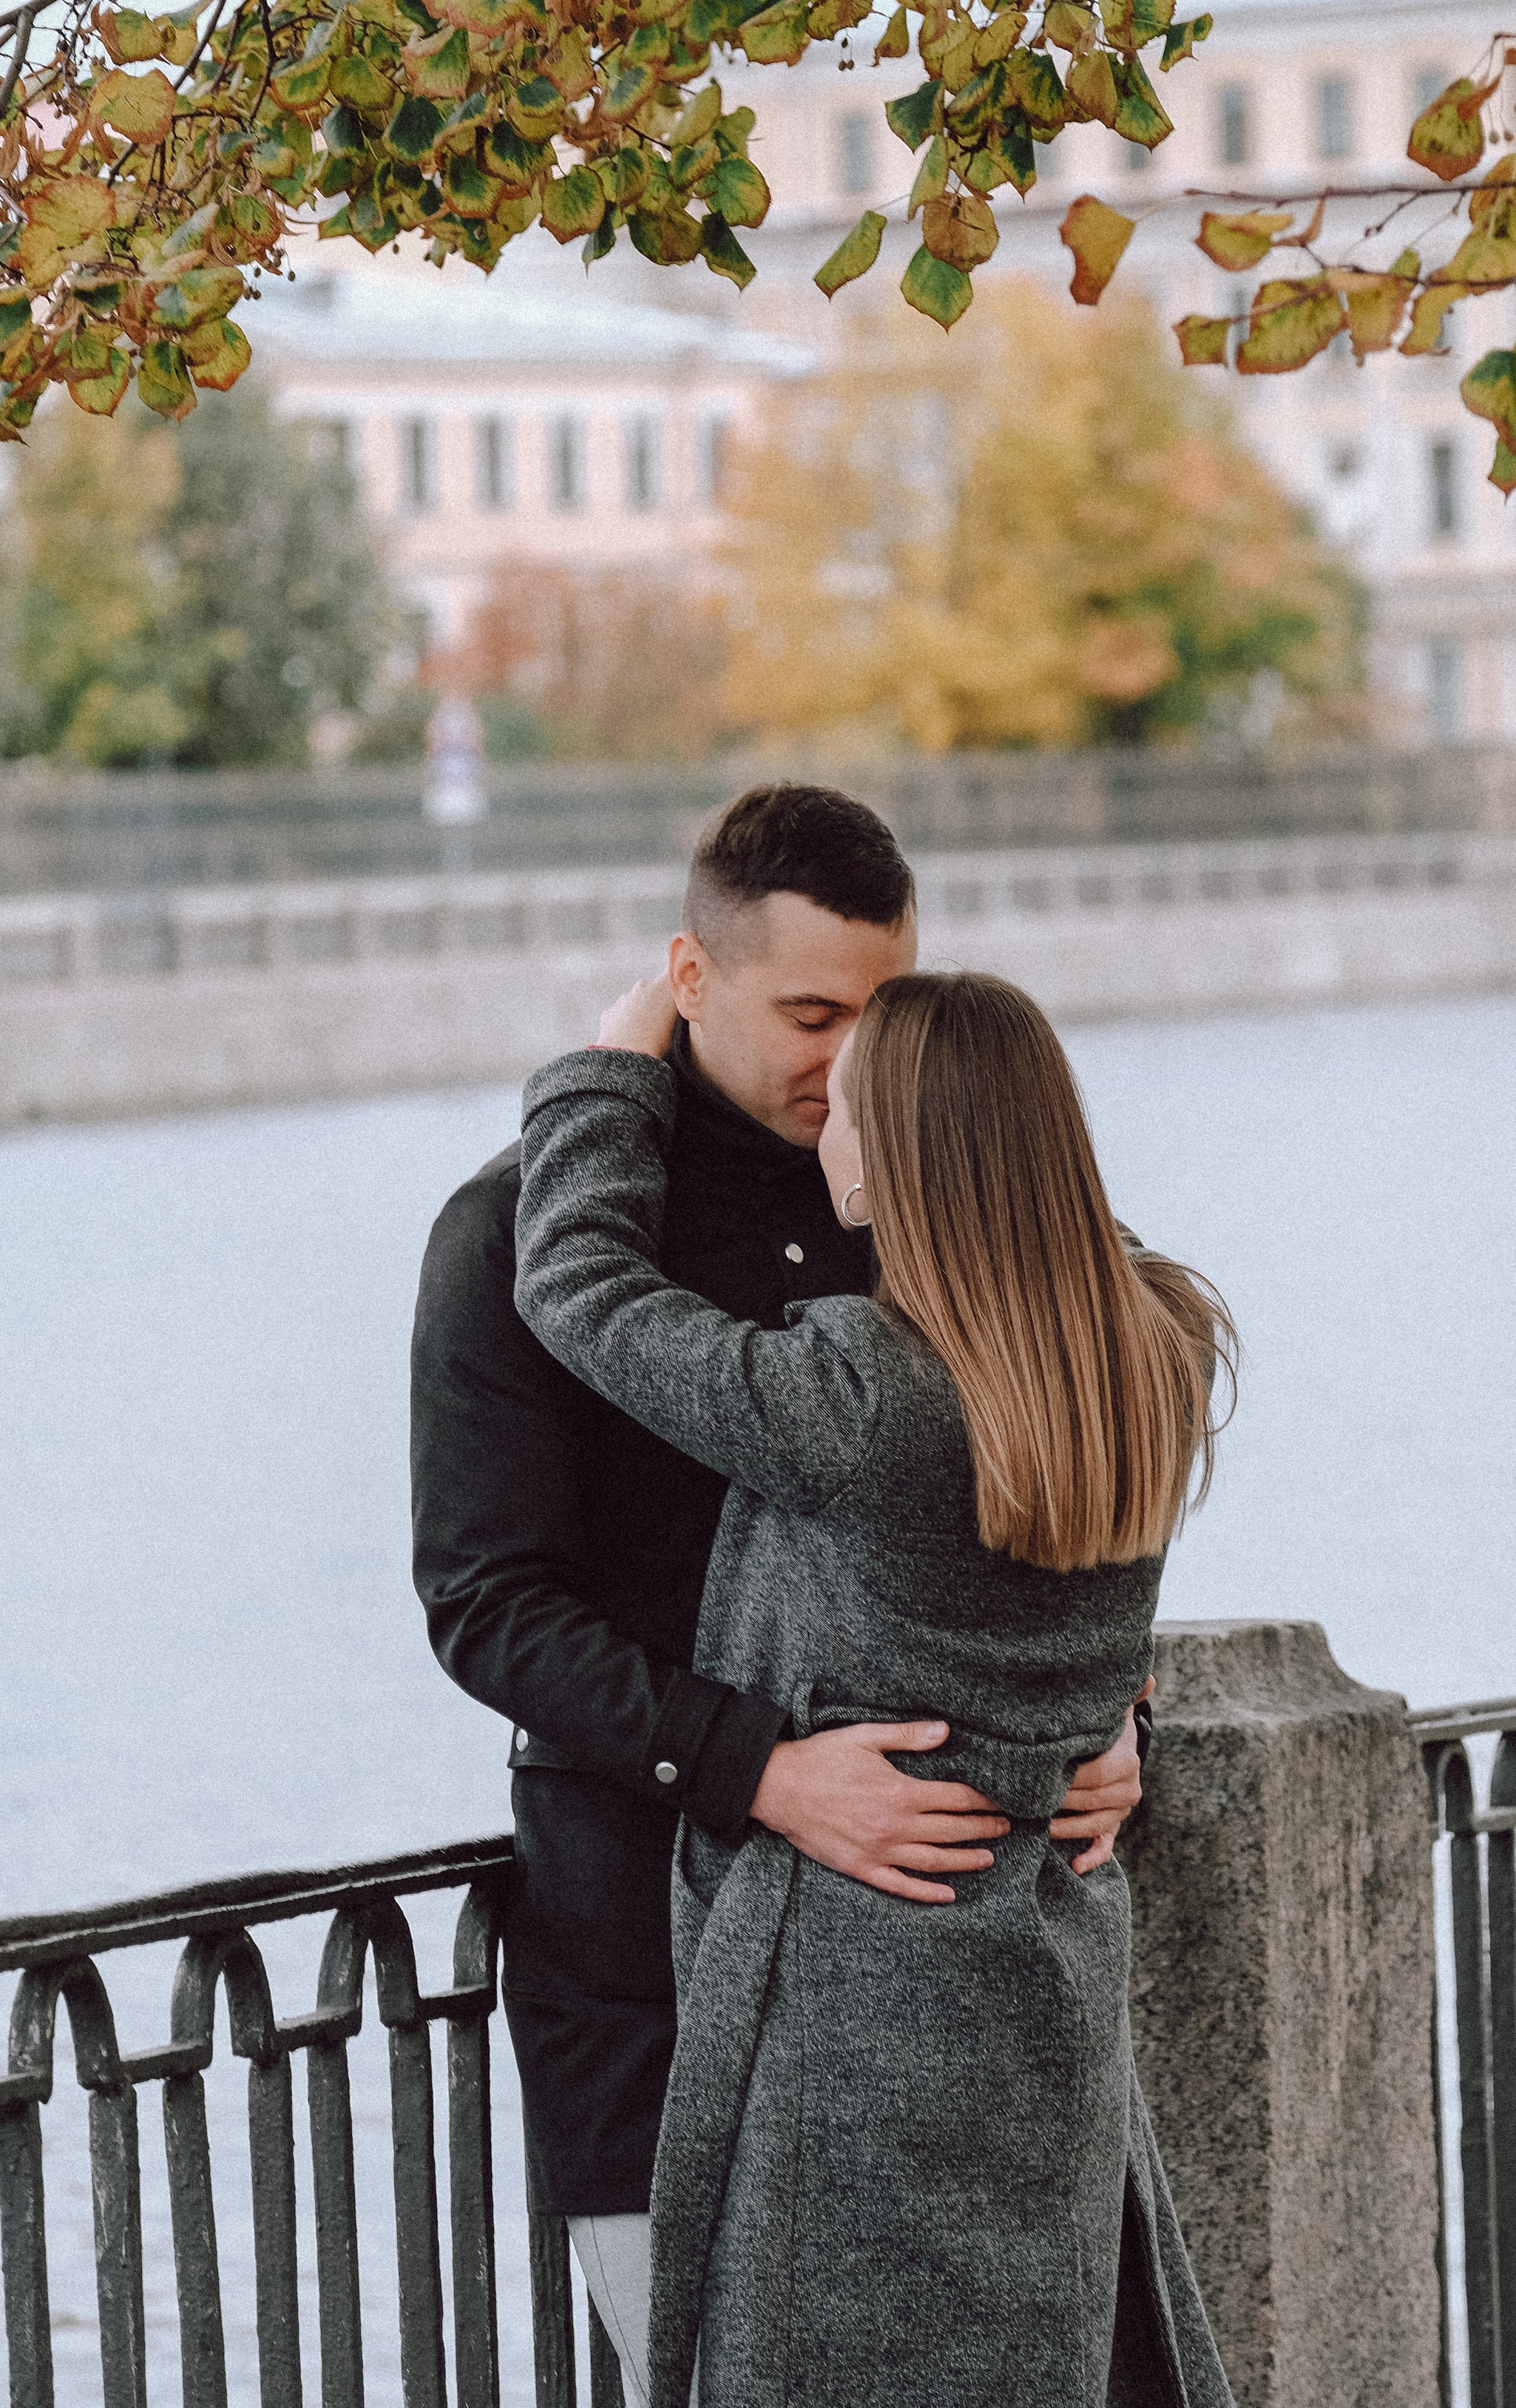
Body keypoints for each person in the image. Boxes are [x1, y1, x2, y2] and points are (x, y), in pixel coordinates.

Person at [409, 786, 1150, 2376]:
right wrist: (759, 1773)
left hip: (973, 1998)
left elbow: (1072, 1476)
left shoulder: (942, 1206)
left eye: (882, 1018)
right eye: (812, 1015)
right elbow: (486, 1605)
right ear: (692, 976)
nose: (852, 1063)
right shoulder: (517, 1225)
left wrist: (1111, 1707)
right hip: (650, 1972)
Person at [512, 964, 1238, 2408]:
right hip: (1044, 1978)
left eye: (847, 1108)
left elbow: (577, 1289)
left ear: (907, 1147)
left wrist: (610, 1070)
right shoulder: (1147, 1349)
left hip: (855, 2008)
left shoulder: (857, 1397)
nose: (819, 1134)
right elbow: (1061, 1246)